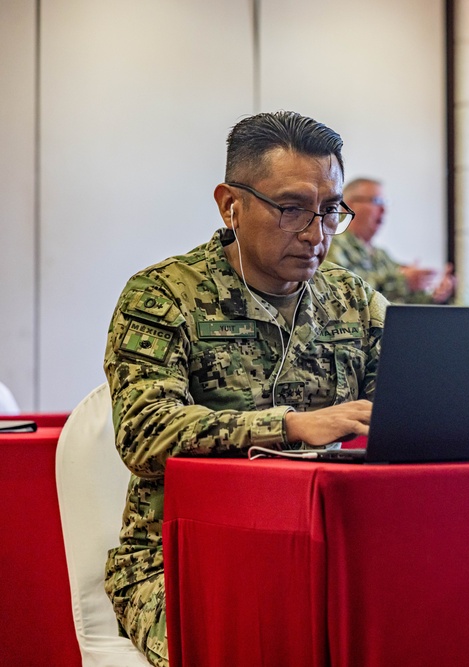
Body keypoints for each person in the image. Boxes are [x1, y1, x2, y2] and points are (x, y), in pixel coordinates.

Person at [103, 111, 386, 666]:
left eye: (330, 211)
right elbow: (143, 431)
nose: (316, 233)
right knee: (264, 642)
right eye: (291, 209)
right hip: (180, 560)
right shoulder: (164, 295)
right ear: (230, 204)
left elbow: (404, 411)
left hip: (324, 550)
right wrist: (287, 426)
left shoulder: (354, 300)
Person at [326, 177, 454, 303]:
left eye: (384, 203)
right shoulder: (332, 245)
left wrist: (436, 296)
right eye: (376, 201)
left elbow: (402, 302)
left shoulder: (381, 256)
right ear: (349, 205)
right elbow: (343, 292)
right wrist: (402, 282)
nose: (383, 210)